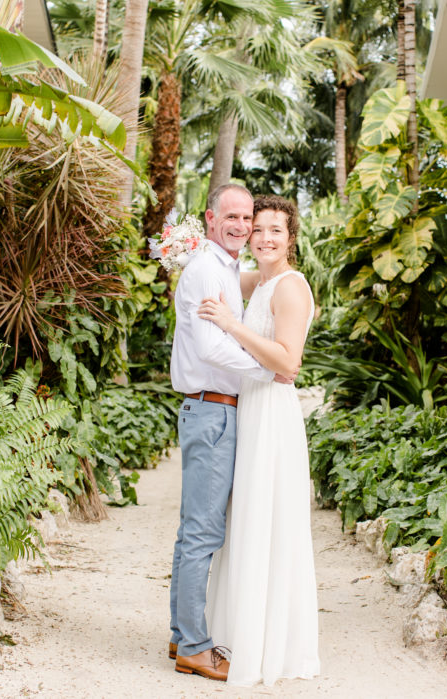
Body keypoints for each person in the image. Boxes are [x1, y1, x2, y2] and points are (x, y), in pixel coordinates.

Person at [167, 184, 295, 682]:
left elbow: (271, 287)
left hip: (216, 411)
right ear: (211, 218)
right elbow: (211, 349)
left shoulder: (222, 268)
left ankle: (182, 635)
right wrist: (268, 372)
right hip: (213, 411)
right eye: (235, 217)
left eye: (250, 218)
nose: (243, 226)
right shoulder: (204, 268)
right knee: (202, 533)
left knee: (192, 532)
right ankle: (195, 647)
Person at [198, 195, 321, 687]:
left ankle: (269, 646)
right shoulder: (260, 280)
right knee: (246, 519)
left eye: (276, 230)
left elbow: (288, 363)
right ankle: (235, 633)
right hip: (250, 408)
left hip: (271, 412)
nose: (266, 238)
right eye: (258, 229)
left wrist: (230, 325)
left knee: (267, 521)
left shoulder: (289, 288)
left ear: (291, 238)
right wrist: (188, 245)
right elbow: (219, 271)